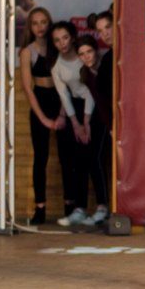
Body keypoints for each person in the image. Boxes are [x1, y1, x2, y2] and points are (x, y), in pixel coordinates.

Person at [19, 7, 67, 224]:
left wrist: (63, 113)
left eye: (43, 22)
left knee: (67, 157)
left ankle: (70, 206)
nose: (40, 27)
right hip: (40, 101)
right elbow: (27, 88)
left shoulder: (57, 47)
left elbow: (66, 81)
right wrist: (43, 118)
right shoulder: (27, 52)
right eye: (35, 23)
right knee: (41, 158)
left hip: (61, 99)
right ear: (30, 27)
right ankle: (40, 208)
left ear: (49, 23)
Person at [49, 21, 97, 228]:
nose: (62, 43)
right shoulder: (57, 66)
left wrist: (86, 120)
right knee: (75, 160)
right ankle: (79, 209)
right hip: (75, 110)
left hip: (93, 106)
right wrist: (76, 123)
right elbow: (64, 95)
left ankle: (101, 209)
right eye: (57, 40)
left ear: (73, 37)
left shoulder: (83, 57)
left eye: (65, 38)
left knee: (92, 159)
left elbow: (90, 90)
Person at [77, 35, 111, 229]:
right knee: (95, 159)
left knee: (100, 159)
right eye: (82, 54)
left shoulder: (107, 66)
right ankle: (102, 206)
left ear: (96, 51)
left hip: (113, 117)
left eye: (89, 52)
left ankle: (107, 207)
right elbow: (97, 100)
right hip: (103, 117)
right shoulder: (85, 73)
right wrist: (87, 120)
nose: (86, 57)